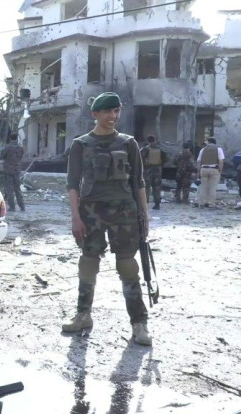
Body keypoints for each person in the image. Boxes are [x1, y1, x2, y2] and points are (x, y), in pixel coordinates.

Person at [62, 92, 152, 346]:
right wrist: (75, 218)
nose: (113, 116)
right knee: (88, 263)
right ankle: (83, 315)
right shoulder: (80, 144)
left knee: (127, 266)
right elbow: (72, 184)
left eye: (116, 111)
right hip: (91, 212)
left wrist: (144, 216)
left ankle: (139, 323)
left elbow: (139, 182)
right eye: (107, 112)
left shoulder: (128, 143)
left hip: (125, 212)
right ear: (95, 114)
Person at [139, 135, 168, 210]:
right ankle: (157, 204)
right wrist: (160, 164)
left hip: (148, 171)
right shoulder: (161, 149)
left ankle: (145, 203)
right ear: (155, 140)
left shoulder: (145, 149)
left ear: (148, 141)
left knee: (146, 187)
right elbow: (166, 159)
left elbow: (140, 159)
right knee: (157, 187)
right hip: (158, 171)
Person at [195, 137, 224, 208]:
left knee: (203, 187)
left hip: (203, 169)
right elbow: (221, 161)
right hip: (214, 169)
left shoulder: (203, 149)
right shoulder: (218, 149)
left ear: (209, 142)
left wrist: (198, 172)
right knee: (212, 188)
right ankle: (211, 203)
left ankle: (201, 203)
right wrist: (220, 170)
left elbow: (199, 162)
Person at [0, 133, 25, 211]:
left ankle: (12, 207)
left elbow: (2, 156)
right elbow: (20, 157)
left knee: (9, 189)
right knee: (17, 188)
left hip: (8, 170)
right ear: (16, 138)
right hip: (17, 170)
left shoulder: (6, 148)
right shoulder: (21, 148)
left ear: (10, 138)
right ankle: (22, 206)